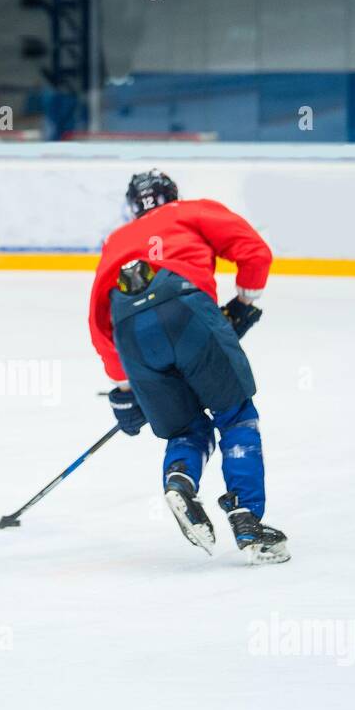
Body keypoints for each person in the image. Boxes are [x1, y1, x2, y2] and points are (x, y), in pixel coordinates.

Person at [88, 169, 289, 564]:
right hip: (188, 311)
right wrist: (245, 303)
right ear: (172, 194)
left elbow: (98, 316)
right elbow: (255, 251)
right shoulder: (193, 211)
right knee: (235, 416)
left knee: (185, 428)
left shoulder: (116, 240)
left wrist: (126, 389)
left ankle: (180, 480)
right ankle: (247, 518)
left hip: (131, 332)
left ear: (132, 207)